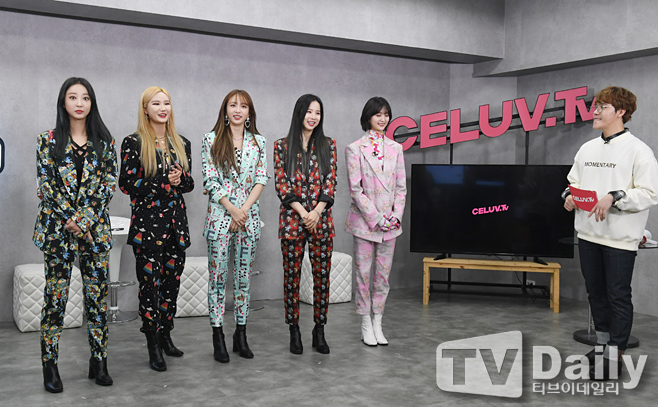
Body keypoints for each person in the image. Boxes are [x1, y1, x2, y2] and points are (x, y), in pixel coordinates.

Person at [563, 86, 658, 380]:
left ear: (620, 112)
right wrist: (569, 195)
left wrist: (615, 196)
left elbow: (649, 193)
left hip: (619, 239)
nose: (595, 111)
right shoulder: (587, 148)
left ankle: (615, 356)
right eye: (596, 106)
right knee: (596, 294)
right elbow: (573, 182)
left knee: (617, 296)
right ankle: (602, 346)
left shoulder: (639, 150)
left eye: (602, 107)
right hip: (588, 235)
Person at [34, 77, 117, 392]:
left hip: (94, 232)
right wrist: (73, 220)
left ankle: (99, 361)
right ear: (63, 102)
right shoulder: (47, 140)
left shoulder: (104, 141)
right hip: (58, 232)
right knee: (55, 300)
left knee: (96, 300)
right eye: (73, 97)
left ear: (91, 103)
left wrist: (84, 220)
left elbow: (108, 184)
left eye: (85, 97)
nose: (79, 103)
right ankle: (50, 366)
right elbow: (47, 186)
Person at [119, 86, 194, 372]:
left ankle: (165, 335)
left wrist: (181, 179)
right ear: (145, 109)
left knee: (171, 285)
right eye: (156, 103)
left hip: (176, 226)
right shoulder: (133, 142)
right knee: (149, 287)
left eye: (167, 103)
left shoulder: (181, 142)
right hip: (147, 228)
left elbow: (189, 185)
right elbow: (127, 183)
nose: (163, 108)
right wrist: (164, 183)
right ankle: (152, 342)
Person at [201, 89, 268, 362]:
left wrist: (243, 212)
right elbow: (210, 179)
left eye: (243, 106)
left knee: (243, 280)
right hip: (220, 219)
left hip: (248, 220)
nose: (238, 110)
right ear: (225, 110)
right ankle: (217, 336)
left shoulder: (259, 142)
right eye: (233, 105)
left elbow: (261, 179)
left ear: (249, 112)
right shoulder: (211, 139)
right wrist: (231, 210)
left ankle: (241, 335)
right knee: (217, 279)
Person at [274, 94, 337, 354]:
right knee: (292, 278)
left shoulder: (328, 145)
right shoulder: (281, 146)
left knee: (322, 278)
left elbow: (331, 181)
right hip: (293, 221)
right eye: (309, 111)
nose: (313, 117)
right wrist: (303, 212)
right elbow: (281, 184)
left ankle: (319, 330)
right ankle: (294, 330)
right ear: (299, 113)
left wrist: (317, 211)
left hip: (321, 221)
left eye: (317, 113)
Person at [345, 97, 406, 346]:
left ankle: (378, 322)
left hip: (390, 226)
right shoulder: (354, 149)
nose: (382, 119)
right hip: (365, 224)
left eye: (386, 114)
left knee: (382, 277)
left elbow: (401, 188)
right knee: (363, 275)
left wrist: (395, 216)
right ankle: (365, 323)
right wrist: (377, 218)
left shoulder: (396, 148)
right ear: (368, 117)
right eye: (377, 114)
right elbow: (355, 190)